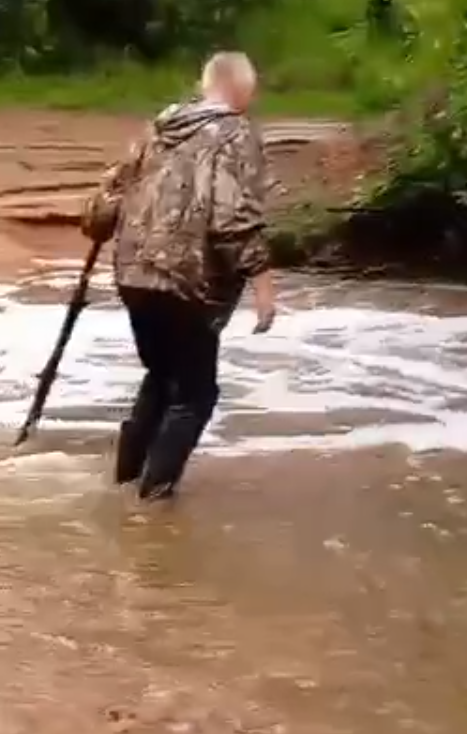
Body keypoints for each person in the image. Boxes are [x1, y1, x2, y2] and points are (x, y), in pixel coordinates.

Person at [82, 51, 276, 500]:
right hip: (187, 281)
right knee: (195, 395)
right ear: (243, 89)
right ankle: (151, 503)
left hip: (133, 275)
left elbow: (103, 204)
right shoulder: (234, 133)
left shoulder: (158, 129)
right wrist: (264, 282)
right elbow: (232, 218)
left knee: (161, 375)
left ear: (203, 83)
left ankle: (125, 483)